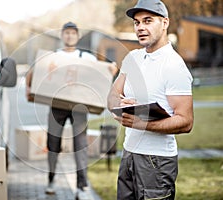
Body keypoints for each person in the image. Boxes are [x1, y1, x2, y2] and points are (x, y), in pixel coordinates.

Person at [107, 0, 194, 199]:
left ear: (164, 23)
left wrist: (141, 123)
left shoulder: (174, 66)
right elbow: (112, 96)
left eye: (147, 21)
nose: (140, 27)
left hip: (157, 161)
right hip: (128, 154)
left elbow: (186, 121)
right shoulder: (133, 58)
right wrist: (120, 104)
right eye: (137, 23)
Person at [26, 22, 117, 200]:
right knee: (53, 144)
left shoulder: (87, 57)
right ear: (62, 36)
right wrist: (28, 87)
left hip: (78, 107)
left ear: (77, 36)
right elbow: (34, 72)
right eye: (66, 33)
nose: (69, 36)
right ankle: (51, 179)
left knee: (80, 146)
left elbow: (103, 71)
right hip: (57, 106)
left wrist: (111, 69)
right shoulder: (53, 57)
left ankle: (81, 187)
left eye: (72, 33)